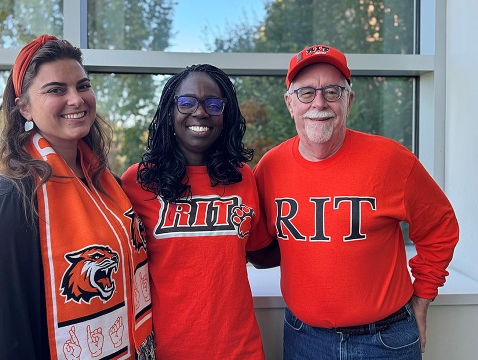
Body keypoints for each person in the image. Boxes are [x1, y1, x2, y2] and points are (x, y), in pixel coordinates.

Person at [250, 44, 459, 359]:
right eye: (306, 93)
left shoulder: (391, 160)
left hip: (387, 340)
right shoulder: (270, 167)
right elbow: (258, 240)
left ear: (349, 100)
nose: (319, 103)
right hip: (303, 338)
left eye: (332, 92)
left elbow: (440, 226)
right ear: (289, 104)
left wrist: (423, 298)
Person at [0, 34, 154, 360]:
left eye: (82, 85)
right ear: (24, 107)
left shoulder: (106, 183)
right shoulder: (11, 200)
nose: (76, 99)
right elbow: (8, 338)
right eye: (56, 90)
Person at [120, 64, 271, 359]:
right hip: (167, 351)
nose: (200, 112)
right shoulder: (138, 182)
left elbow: (260, 250)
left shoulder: (243, 178)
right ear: (169, 112)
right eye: (186, 102)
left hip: (241, 350)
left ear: (225, 115)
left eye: (213, 104)